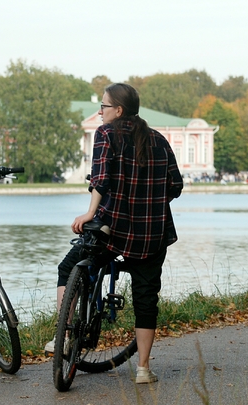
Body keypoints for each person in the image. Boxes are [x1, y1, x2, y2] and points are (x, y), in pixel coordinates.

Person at [46, 83, 183, 384]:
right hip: (152, 232)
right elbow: (176, 186)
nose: (99, 111)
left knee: (68, 268)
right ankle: (144, 369)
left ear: (118, 110)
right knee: (146, 298)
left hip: (111, 228)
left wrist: (90, 213)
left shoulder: (106, 134)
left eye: (104, 106)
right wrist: (151, 203)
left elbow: (101, 180)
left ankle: (64, 336)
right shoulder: (158, 139)